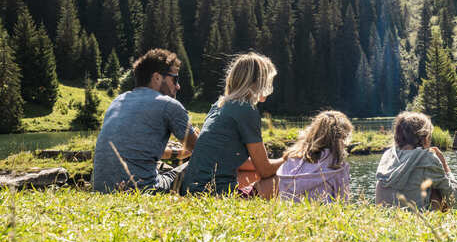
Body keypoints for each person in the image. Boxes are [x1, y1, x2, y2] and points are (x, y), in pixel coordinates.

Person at [93, 48, 198, 193]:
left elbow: (138, 150)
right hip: (145, 191)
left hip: (102, 190)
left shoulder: (118, 101)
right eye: (175, 79)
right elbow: (201, 151)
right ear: (157, 78)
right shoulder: (168, 105)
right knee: (206, 161)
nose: (178, 86)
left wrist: (178, 153)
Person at [181, 52, 283, 198]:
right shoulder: (246, 109)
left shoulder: (219, 105)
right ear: (258, 82)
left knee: (248, 172)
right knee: (283, 179)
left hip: (191, 190)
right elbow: (265, 170)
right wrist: (288, 159)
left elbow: (240, 163)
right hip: (214, 195)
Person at [375, 112, 457, 210]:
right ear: (424, 137)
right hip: (414, 220)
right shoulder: (426, 157)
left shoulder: (387, 155)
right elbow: (454, 199)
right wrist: (444, 164)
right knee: (436, 191)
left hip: (383, 218)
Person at [277, 110, 353, 203]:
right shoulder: (337, 167)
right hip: (324, 215)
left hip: (288, 214)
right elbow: (343, 202)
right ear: (342, 138)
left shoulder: (292, 159)